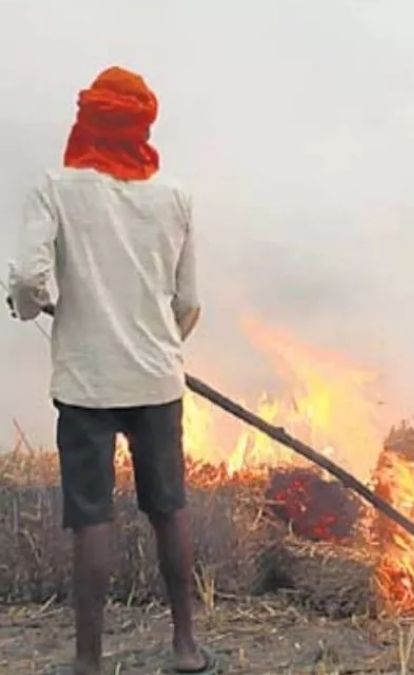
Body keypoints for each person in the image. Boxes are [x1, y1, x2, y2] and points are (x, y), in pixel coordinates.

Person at [6, 66, 214, 675]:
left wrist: (27, 305)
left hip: (86, 385)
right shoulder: (174, 197)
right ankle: (186, 648)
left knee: (91, 517)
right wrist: (158, 346)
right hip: (156, 381)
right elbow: (188, 302)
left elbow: (28, 281)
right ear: (141, 126)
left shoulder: (55, 188)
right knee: (169, 509)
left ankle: (88, 662)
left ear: (88, 121)